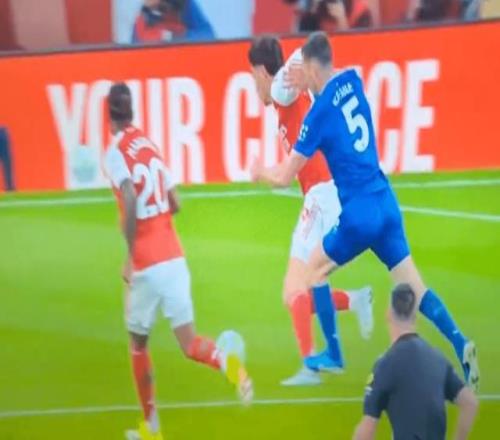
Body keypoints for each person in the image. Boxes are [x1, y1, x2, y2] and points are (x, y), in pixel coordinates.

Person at [251, 31, 480, 390]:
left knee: (313, 271)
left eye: (305, 71)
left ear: (310, 68)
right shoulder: (353, 80)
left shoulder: (317, 117)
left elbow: (283, 177)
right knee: (416, 287)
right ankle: (460, 342)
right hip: (386, 202)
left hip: (358, 215)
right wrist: (306, 75)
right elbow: (326, 74)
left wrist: (259, 172)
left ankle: (333, 354)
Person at [103, 83, 252, 440]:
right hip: (174, 257)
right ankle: (229, 364)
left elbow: (129, 197)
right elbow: (176, 202)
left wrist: (131, 254)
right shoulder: (148, 144)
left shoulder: (115, 152)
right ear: (132, 111)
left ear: (109, 116)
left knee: (138, 344)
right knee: (189, 343)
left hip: (146, 262)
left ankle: (151, 426)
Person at [248, 36, 373, 386]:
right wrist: (264, 173)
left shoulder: (282, 90)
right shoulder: (289, 101)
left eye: (253, 77)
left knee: (294, 290)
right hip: (323, 195)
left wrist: (299, 60)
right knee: (299, 291)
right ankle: (354, 301)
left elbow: (304, 51)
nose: (254, 86)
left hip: (323, 195)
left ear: (262, 71)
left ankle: (310, 366)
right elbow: (287, 173)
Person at [353, 284, 478, 440]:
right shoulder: (437, 358)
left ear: (388, 314)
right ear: (416, 318)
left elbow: (367, 429)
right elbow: (470, 403)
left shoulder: (385, 364)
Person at [132, 0, 214, 44]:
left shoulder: (184, 4)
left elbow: (208, 35)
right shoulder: (140, 19)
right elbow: (133, 54)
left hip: (183, 60)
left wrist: (175, 36)